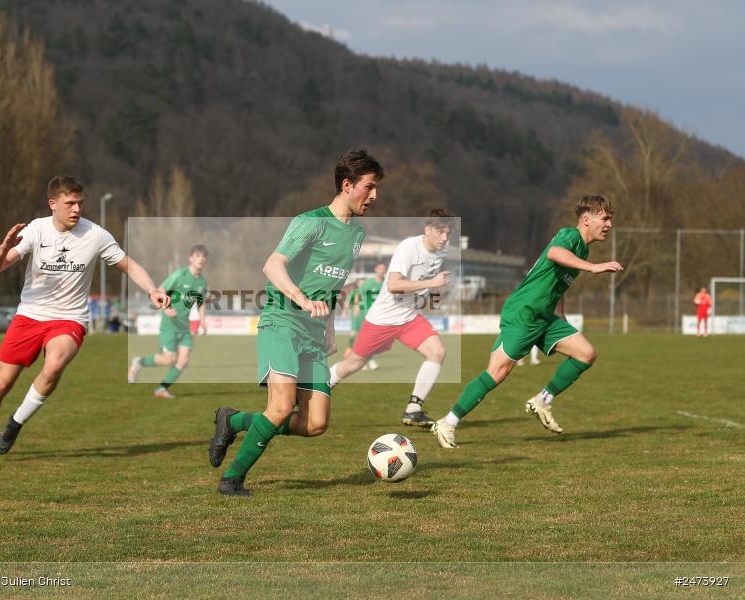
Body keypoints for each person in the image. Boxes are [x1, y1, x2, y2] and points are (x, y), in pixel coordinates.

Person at [208, 149, 384, 496]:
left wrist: (330, 328)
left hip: (314, 333)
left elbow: (332, 286)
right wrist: (302, 300)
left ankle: (235, 420)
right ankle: (232, 479)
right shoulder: (311, 222)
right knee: (281, 406)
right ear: (347, 185)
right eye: (369, 187)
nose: (375, 196)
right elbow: (273, 265)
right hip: (283, 322)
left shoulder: (357, 235)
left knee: (316, 423)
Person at [0, 176, 169, 459]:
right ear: (53, 204)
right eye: (70, 204)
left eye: (80, 203)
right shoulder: (36, 230)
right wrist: (5, 246)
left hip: (70, 319)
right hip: (29, 316)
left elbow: (128, 265)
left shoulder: (96, 235)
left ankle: (15, 423)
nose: (77, 209)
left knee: (54, 364)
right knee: (1, 385)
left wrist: (152, 289)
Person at [431, 195, 623, 448]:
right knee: (497, 373)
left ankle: (543, 399)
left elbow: (558, 283)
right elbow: (555, 253)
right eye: (604, 218)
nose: (609, 224)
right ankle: (447, 422)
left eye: (610, 219)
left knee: (586, 354)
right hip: (524, 312)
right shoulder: (570, 236)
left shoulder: (582, 249)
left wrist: (561, 314)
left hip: (545, 316)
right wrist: (594, 267)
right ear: (586, 219)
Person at [327, 210, 453, 428]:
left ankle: (413, 410)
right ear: (428, 230)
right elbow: (394, 285)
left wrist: (434, 290)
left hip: (409, 318)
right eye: (441, 232)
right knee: (353, 364)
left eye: (448, 233)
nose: (445, 238)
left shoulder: (443, 251)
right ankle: (312, 390)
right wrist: (431, 283)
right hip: (383, 319)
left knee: (437, 351)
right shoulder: (409, 248)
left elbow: (421, 284)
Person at [127, 245, 209, 397]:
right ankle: (139, 362)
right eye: (198, 256)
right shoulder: (179, 275)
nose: (201, 259)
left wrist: (203, 321)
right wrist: (167, 308)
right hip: (170, 324)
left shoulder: (202, 282)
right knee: (168, 359)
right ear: (191, 258)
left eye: (204, 257)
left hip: (184, 326)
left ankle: (161, 389)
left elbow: (201, 302)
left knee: (183, 360)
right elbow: (161, 290)